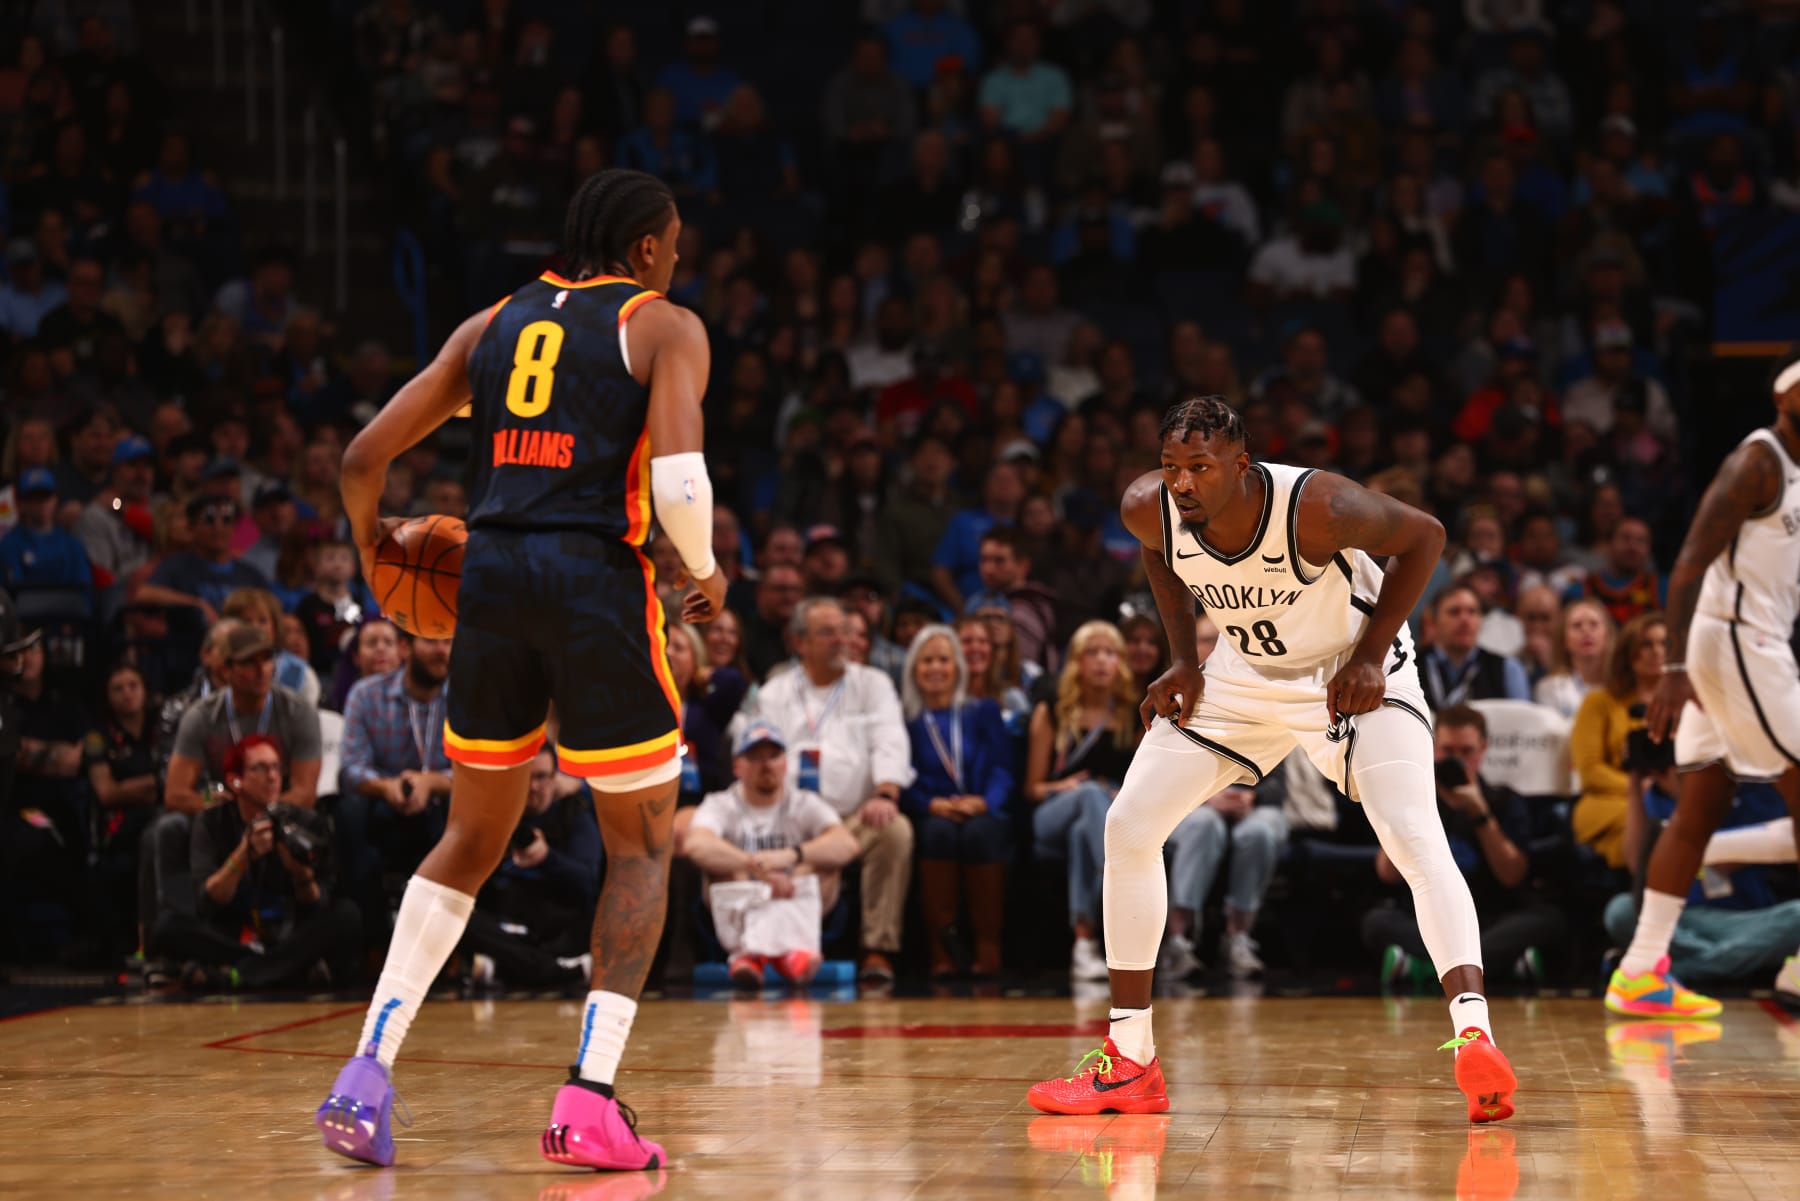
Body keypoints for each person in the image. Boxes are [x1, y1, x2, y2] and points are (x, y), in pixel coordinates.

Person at [319, 169, 724, 1173]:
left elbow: (364, 456)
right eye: (671, 247)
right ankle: (588, 1100)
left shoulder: (490, 324)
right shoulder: (665, 325)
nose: (675, 262)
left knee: (468, 836)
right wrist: (707, 574)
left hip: (491, 578)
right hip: (593, 580)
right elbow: (678, 481)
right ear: (643, 251)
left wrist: (378, 561)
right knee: (637, 848)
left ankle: (364, 1075)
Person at [1027, 397, 1515, 1125]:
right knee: (1128, 825)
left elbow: (1426, 537)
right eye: (1171, 467)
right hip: (1242, 676)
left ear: (1242, 466)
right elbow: (1159, 555)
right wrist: (1183, 659)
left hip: (1352, 674)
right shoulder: (1148, 508)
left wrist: (1373, 655)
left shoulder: (1314, 505)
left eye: (1200, 467)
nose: (1182, 483)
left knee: (1413, 834)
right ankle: (1129, 1059)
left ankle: (1476, 1034)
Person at [1608, 351, 1800, 1019]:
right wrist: (1674, 666)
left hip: (1750, 641)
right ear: (1786, 392)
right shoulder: (1759, 461)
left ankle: (1639, 971)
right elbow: (1688, 559)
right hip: (1735, 640)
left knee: (1699, 808)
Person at [742, 597, 915, 984]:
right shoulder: (775, 692)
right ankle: (768, 949)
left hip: (854, 814)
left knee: (894, 831)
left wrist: (885, 794)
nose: (841, 640)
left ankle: (877, 948)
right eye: (828, 632)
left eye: (845, 630)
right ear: (799, 642)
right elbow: (759, 752)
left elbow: (890, 739)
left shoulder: (873, 683)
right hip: (792, 820)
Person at [1364, 705, 1566, 987]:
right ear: (1433, 748)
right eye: (1448, 751)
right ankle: (1497, 967)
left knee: (1547, 920)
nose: (1457, 760)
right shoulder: (1415, 799)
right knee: (1377, 921)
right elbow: (1387, 872)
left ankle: (1427, 967)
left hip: (1493, 916)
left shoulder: (1504, 800)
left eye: (1467, 751)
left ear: (1482, 749)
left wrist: (1480, 815)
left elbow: (1512, 875)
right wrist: (1413, 806)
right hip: (1431, 920)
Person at [151, 734, 360, 990]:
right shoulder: (212, 822)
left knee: (347, 915)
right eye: (259, 768)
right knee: (166, 927)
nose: (272, 776)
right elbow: (207, 901)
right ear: (234, 781)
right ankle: (283, 971)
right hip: (232, 932)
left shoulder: (306, 822)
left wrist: (300, 875)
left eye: (275, 768)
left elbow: (319, 902)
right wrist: (242, 856)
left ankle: (243, 975)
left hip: (290, 932)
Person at [683, 720, 860, 986]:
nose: (766, 765)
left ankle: (790, 951)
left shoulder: (804, 802)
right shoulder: (720, 803)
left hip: (792, 893)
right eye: (755, 757)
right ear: (737, 767)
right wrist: (752, 866)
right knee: (725, 869)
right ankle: (750, 953)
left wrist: (793, 856)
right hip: (745, 897)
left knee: (817, 866)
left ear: (786, 763)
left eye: (774, 756)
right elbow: (695, 845)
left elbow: (847, 844)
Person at [1024, 620, 1141, 980]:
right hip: (1051, 813)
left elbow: (1139, 784)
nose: (1102, 661)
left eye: (1110, 653)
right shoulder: (1053, 710)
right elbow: (1031, 788)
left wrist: (1117, 792)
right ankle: (1118, 880)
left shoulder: (1131, 715)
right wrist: (1065, 788)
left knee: (1084, 833)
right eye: (1093, 653)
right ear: (1076, 661)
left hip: (1100, 817)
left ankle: (1083, 943)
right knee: (1090, 794)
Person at [900, 625, 1012, 978]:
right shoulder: (906, 721)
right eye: (927, 660)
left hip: (980, 807)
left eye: (944, 660)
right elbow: (898, 775)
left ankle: (987, 947)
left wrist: (985, 801)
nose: (936, 668)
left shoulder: (983, 711)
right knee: (937, 833)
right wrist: (928, 804)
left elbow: (1003, 768)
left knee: (980, 834)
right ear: (913, 669)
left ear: (958, 667)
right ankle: (941, 949)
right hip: (932, 809)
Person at [335, 634, 454, 943]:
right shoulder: (366, 693)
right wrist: (388, 787)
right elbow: (350, 768)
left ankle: (446, 943)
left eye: (448, 642)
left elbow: (473, 771)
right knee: (348, 811)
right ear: (405, 648)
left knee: (471, 811)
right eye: (431, 642)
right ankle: (373, 938)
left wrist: (431, 783)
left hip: (441, 804)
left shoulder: (466, 696)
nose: (442, 652)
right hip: (384, 801)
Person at [460, 747, 602, 989]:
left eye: (541, 777)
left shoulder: (573, 814)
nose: (534, 787)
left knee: (601, 914)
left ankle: (507, 968)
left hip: (558, 920)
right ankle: (559, 969)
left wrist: (547, 858)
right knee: (458, 915)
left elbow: (587, 881)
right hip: (507, 918)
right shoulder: (494, 815)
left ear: (555, 778)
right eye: (527, 777)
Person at [1570, 612, 1666, 869]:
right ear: (1628, 653)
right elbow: (1590, 771)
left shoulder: (1687, 706)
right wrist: (1640, 789)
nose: (1657, 651)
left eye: (1664, 644)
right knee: (1650, 822)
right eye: (1646, 644)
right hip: (1608, 801)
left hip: (1672, 795)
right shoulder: (1599, 702)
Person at [83, 662, 159, 959]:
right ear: (107, 696)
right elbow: (106, 792)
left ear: (145, 690)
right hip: (119, 829)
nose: (127, 694)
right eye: (118, 688)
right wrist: (153, 785)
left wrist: (128, 786)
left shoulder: (161, 726)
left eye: (133, 686)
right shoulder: (98, 737)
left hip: (157, 815)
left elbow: (174, 782)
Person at [1417, 584, 1532, 711]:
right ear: (1433, 622)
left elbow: (1523, 723)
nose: (1465, 619)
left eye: (1472, 612)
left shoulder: (1507, 668)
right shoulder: (1411, 666)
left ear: (1480, 620)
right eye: (1454, 612)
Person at [1533, 598, 1612, 720]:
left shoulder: (1622, 686)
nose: (1586, 631)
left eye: (1594, 624)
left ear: (1607, 635)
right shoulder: (1549, 689)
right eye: (1577, 625)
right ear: (1564, 640)